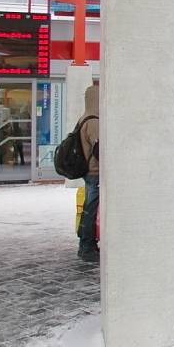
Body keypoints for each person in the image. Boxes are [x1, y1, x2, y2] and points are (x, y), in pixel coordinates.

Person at [77, 84, 100, 263]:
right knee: (91, 210)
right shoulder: (94, 121)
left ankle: (85, 244)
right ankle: (87, 246)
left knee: (88, 208)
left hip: (88, 171)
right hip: (95, 171)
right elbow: (99, 148)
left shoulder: (83, 117)